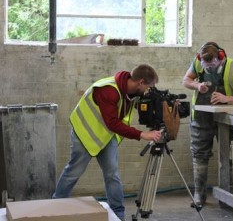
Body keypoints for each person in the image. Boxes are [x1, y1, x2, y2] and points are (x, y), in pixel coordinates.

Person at [52, 64, 162, 221]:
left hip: (105, 135)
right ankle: (56, 206)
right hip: (85, 132)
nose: (148, 90)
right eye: (149, 86)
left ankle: (118, 214)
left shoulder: (131, 92)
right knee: (74, 172)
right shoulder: (108, 90)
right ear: (140, 82)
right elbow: (112, 123)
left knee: (112, 173)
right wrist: (142, 134)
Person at [182, 42, 233, 207]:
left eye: (213, 67)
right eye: (207, 68)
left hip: (227, 119)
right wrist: (198, 85)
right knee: (199, 155)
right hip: (201, 116)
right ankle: (199, 195)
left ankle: (232, 196)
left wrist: (228, 99)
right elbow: (186, 80)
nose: (210, 70)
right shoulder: (198, 61)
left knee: (230, 156)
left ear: (220, 58)